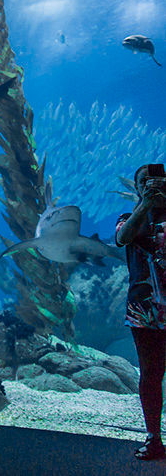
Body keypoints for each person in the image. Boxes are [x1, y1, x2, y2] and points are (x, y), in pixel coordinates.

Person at [116, 163, 166, 461]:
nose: (152, 185)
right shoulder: (129, 219)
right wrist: (146, 204)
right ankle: (154, 438)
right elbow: (122, 239)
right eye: (145, 182)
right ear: (136, 188)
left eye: (159, 181)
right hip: (144, 312)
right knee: (151, 374)